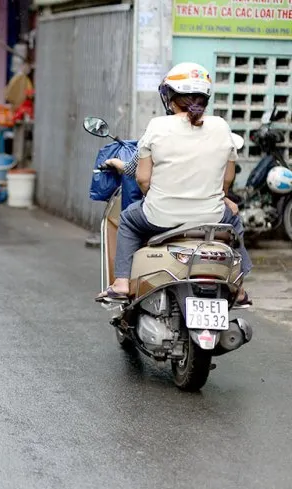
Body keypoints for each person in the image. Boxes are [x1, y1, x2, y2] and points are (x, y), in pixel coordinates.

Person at [98, 62, 252, 307]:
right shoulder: (222, 127)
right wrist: (219, 197)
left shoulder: (158, 126)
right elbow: (227, 179)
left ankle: (121, 283)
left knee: (127, 219)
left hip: (160, 217)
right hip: (210, 217)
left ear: (169, 97)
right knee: (234, 217)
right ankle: (241, 288)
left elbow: (142, 178)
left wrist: (156, 195)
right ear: (205, 98)